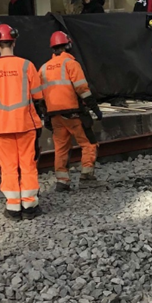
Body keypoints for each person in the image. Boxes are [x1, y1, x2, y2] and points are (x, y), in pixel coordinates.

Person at [0, 24, 46, 220]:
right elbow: (37, 95)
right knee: (27, 164)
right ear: (14, 41)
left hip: (1, 126)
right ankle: (30, 206)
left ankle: (13, 207)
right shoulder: (27, 65)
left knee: (8, 166)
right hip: (25, 124)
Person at [40, 31, 101, 191]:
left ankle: (62, 181)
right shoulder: (71, 64)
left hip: (54, 115)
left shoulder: (44, 68)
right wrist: (94, 107)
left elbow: (39, 95)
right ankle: (87, 176)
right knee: (88, 143)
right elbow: (82, 89)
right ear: (68, 45)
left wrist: (46, 114)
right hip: (73, 113)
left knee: (61, 147)